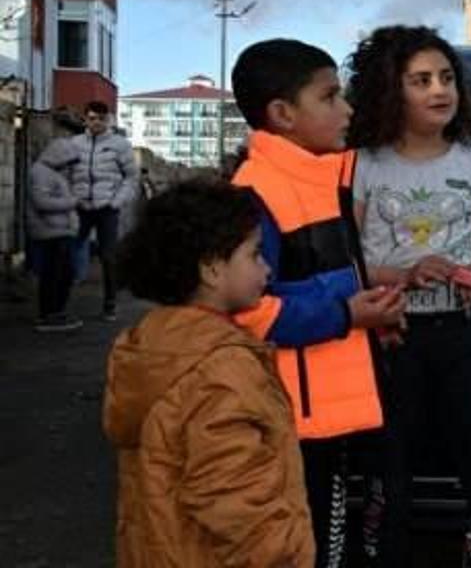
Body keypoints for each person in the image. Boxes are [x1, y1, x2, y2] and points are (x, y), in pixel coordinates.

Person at [345, 25, 471, 567]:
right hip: (389, 343)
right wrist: (405, 274)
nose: (438, 91)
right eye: (420, 80)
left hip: (466, 341)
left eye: (446, 78)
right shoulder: (362, 165)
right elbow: (348, 266)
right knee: (387, 478)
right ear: (389, 89)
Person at [229, 38, 407, 566]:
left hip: (343, 410)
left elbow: (331, 275)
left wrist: (373, 318)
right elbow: (249, 312)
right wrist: (349, 313)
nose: (346, 109)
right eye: (330, 97)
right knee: (309, 547)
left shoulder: (329, 176)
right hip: (297, 422)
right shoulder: (254, 192)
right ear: (283, 114)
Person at [103, 179, 314, 567]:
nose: (266, 268)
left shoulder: (153, 344)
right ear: (212, 269)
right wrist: (286, 556)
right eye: (254, 255)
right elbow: (235, 502)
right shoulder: (221, 368)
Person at [69, 100, 137, 322]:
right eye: (91, 118)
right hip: (80, 207)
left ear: (107, 120)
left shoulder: (120, 144)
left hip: (107, 208)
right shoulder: (75, 143)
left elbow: (131, 177)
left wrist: (116, 202)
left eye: (100, 118)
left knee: (108, 256)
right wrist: (70, 198)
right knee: (67, 252)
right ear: (85, 120)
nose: (95, 122)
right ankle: (61, 304)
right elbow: (66, 173)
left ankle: (110, 304)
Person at [26, 137, 81, 332]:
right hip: (51, 232)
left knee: (63, 274)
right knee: (55, 275)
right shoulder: (41, 173)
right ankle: (50, 315)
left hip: (59, 232)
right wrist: (72, 203)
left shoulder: (51, 173)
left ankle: (56, 312)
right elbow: (42, 202)